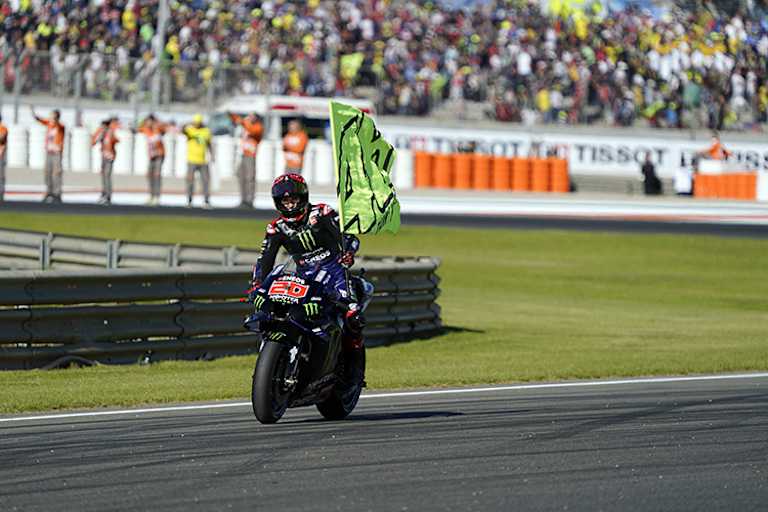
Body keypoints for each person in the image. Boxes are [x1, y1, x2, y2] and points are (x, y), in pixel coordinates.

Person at [251, 173, 366, 363]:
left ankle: (354, 366)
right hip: (305, 277)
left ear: (303, 197)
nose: (289, 205)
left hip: (335, 272)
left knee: (353, 315)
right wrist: (257, 286)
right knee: (276, 314)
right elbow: (265, 260)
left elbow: (349, 238)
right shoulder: (276, 228)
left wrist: (348, 253)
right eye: (284, 201)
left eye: (293, 200)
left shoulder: (322, 213)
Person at [229, 112, 264, 208]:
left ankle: (250, 200)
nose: (249, 118)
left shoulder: (258, 127)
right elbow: (236, 120)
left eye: (252, 116)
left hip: (251, 155)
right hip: (243, 154)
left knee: (250, 178)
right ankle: (243, 199)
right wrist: (233, 115)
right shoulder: (247, 124)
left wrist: (244, 122)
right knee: (241, 177)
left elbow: (252, 131)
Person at [138, 115, 172, 206]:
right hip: (151, 156)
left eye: (150, 121)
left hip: (160, 154)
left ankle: (157, 196)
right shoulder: (145, 129)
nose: (148, 123)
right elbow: (138, 127)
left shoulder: (158, 128)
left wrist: (157, 121)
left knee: (157, 175)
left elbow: (166, 127)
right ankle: (151, 195)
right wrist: (144, 120)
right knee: (149, 175)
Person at [32, 108, 65, 203]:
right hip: (49, 152)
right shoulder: (49, 124)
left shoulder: (60, 126)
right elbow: (40, 120)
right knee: (47, 172)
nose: (50, 117)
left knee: (56, 173)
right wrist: (34, 113)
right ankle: (49, 191)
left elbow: (59, 126)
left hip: (56, 153)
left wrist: (56, 119)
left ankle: (57, 193)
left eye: (52, 115)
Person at [182, 114, 214, 208]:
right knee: (190, 181)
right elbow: (183, 130)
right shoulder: (190, 130)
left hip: (202, 160)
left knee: (205, 181)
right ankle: (189, 200)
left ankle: (206, 201)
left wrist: (212, 155)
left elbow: (209, 143)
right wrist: (188, 124)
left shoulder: (206, 131)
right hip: (191, 160)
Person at [91, 116, 120, 205]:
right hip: (104, 157)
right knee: (103, 175)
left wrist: (109, 134)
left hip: (109, 157)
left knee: (107, 176)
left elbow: (116, 140)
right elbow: (93, 142)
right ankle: (104, 193)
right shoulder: (102, 134)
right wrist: (100, 135)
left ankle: (108, 195)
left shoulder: (111, 133)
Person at [0, 116, 7, 202]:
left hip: (1, 155)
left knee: (0, 176)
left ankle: (1, 194)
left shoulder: (3, 128)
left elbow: (1, 138)